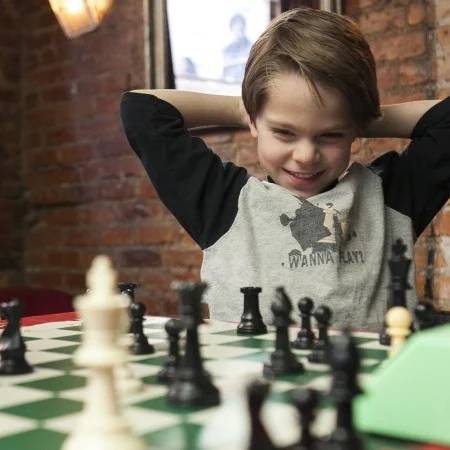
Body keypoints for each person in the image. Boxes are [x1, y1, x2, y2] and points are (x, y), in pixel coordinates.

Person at [120, 7, 449, 330]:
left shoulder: (389, 199)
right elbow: (141, 111)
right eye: (284, 132)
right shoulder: (223, 204)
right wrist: (247, 108)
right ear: (253, 121)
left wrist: (359, 116)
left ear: (354, 130)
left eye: (330, 135)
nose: (306, 156)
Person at [222, 13, 252, 82]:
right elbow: (225, 71)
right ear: (232, 29)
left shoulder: (252, 47)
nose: (239, 31)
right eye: (236, 28)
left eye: (241, 28)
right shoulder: (227, 50)